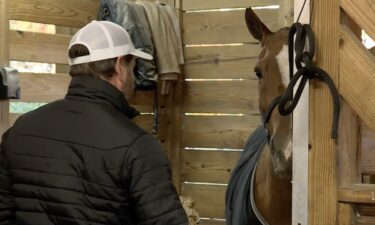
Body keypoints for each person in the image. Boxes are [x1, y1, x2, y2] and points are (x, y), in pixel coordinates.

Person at [0, 20, 188, 225]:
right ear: (119, 66)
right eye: (133, 66)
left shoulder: (20, 130)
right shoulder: (136, 145)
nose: (134, 77)